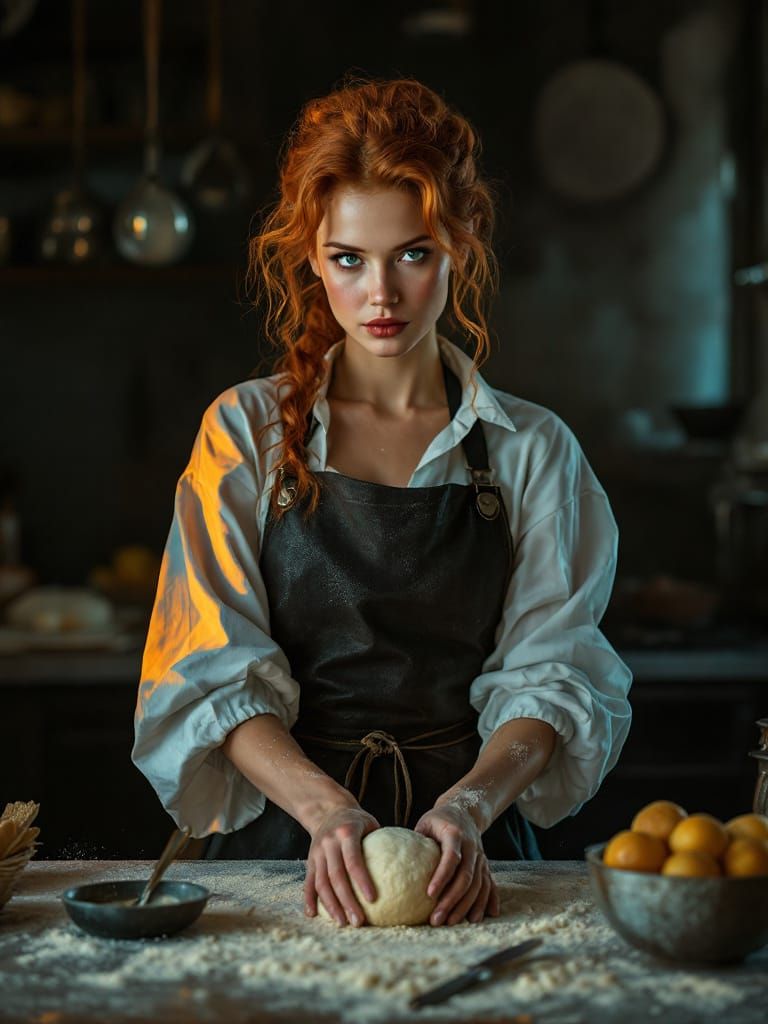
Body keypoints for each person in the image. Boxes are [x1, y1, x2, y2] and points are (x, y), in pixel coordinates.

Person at [132, 75, 632, 930]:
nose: (381, 296)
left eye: (414, 253)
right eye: (349, 259)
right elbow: (208, 672)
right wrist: (328, 811)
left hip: (469, 863)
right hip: (286, 853)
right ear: (312, 259)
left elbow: (553, 675)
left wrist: (469, 810)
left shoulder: (530, 449)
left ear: (461, 246)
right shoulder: (246, 432)